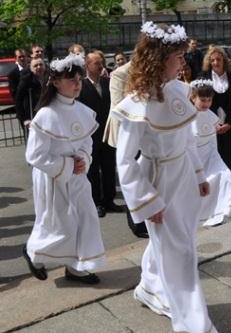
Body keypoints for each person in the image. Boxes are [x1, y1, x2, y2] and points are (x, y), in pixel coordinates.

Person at [112, 21, 216, 333]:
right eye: (178, 56)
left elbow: (187, 138)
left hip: (183, 173)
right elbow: (125, 160)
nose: (183, 61)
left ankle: (150, 286)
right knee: (179, 251)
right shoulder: (136, 104)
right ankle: (194, 323)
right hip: (158, 180)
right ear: (158, 58)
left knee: (178, 243)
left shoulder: (179, 91)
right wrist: (146, 200)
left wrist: (198, 173)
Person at [22, 53, 105, 284]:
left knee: (86, 219)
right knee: (60, 225)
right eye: (71, 79)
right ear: (56, 82)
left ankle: (77, 268)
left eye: (79, 78)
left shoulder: (81, 110)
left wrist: (83, 160)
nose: (77, 83)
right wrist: (67, 164)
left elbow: (87, 141)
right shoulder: (46, 115)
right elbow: (35, 155)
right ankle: (33, 253)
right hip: (54, 178)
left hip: (78, 177)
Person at [103, 59, 148, 239]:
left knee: (144, 174)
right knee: (130, 173)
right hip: (127, 129)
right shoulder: (120, 74)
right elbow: (117, 104)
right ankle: (136, 221)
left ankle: (144, 216)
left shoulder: (150, 69)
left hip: (145, 131)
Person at [78, 50, 122, 218]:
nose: (101, 65)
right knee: (93, 170)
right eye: (96, 63)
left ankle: (109, 200)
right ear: (87, 66)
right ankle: (96, 202)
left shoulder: (108, 82)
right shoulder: (81, 85)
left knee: (109, 167)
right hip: (90, 135)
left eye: (101, 62)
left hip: (108, 132)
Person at [190, 79, 231, 226]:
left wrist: (216, 157)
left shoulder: (210, 115)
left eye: (209, 100)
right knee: (202, 185)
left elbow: (214, 133)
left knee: (225, 175)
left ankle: (226, 205)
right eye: (202, 100)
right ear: (193, 98)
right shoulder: (187, 117)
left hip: (210, 154)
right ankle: (202, 214)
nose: (206, 103)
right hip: (194, 158)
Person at [200, 45, 231, 174]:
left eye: (218, 59)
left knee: (228, 167)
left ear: (224, 61)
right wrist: (213, 125)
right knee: (211, 168)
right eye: (212, 60)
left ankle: (230, 193)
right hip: (210, 130)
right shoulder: (203, 79)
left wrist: (229, 123)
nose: (216, 63)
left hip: (229, 128)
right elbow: (199, 106)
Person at [15, 57, 45, 135]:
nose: (39, 67)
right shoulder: (26, 80)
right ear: (31, 68)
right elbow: (18, 100)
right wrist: (24, 119)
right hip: (33, 116)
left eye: (41, 65)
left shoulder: (49, 78)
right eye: (35, 66)